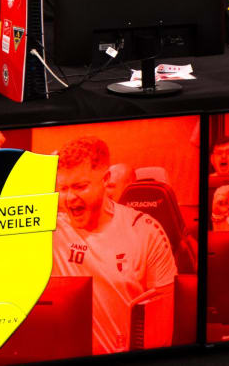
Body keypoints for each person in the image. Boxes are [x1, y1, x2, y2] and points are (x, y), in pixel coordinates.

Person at [52, 136, 177, 354]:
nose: (70, 198)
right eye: (63, 188)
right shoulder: (52, 228)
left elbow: (163, 330)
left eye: (80, 187)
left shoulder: (145, 233)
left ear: (106, 179)